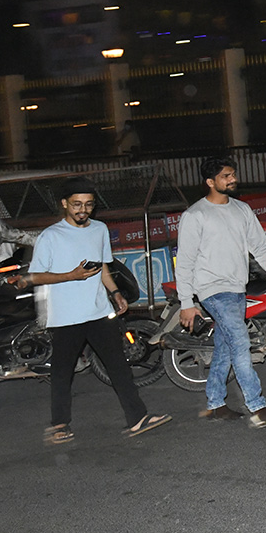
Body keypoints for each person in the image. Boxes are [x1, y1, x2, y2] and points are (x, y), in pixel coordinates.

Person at [24, 177, 170, 444]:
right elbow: (36, 277)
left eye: (88, 205)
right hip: (66, 315)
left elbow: (101, 266)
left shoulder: (100, 229)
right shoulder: (51, 236)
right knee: (62, 372)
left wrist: (115, 293)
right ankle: (59, 425)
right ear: (65, 204)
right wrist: (71, 275)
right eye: (77, 204)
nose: (83, 210)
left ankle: (137, 418)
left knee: (119, 367)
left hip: (99, 311)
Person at [176, 156, 266, 428]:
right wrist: (187, 302)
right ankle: (257, 406)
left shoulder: (242, 210)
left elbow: (259, 248)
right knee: (240, 342)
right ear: (210, 182)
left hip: (237, 288)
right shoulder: (195, 215)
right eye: (226, 176)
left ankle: (215, 404)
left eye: (233, 174)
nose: (233, 179)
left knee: (225, 347)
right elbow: (185, 261)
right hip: (212, 290)